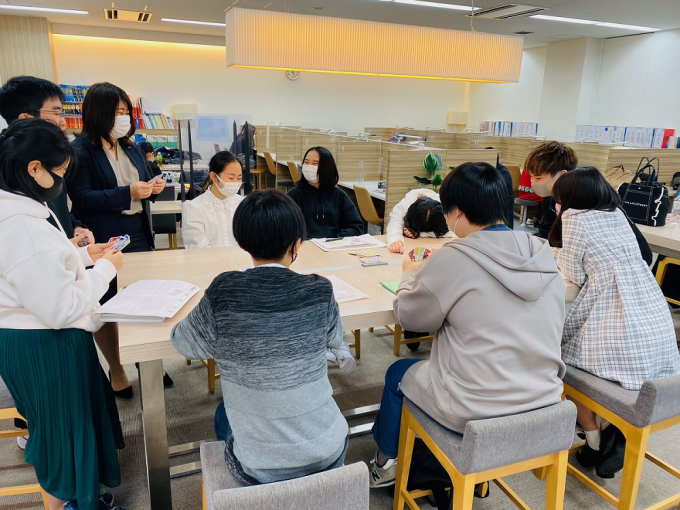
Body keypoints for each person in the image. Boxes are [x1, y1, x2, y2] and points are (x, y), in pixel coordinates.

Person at [369, 162, 566, 488]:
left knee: (397, 373)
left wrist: (409, 274)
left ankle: (386, 466)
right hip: (545, 400)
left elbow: (410, 317)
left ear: (457, 212)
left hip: (472, 408)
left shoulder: (454, 257)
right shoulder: (541, 252)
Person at [171, 189, 350, 485]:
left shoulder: (224, 291)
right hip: (330, 450)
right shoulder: (320, 289)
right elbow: (335, 338)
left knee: (223, 415)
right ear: (296, 244)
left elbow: (185, 343)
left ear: (243, 242)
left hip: (261, 469)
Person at [0, 119, 126, 510]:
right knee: (61, 433)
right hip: (46, 342)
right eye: (59, 171)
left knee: (68, 424)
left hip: (37, 336)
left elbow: (42, 270)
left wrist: (83, 255)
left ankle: (80, 498)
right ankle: (68, 504)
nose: (61, 181)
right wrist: (105, 271)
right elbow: (61, 307)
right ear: (34, 168)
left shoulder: (22, 208)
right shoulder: (21, 226)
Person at [549, 167, 680, 478]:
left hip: (615, 312)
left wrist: (554, 251)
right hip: (652, 316)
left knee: (562, 364)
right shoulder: (617, 213)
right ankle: (611, 430)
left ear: (569, 198)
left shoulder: (574, 218)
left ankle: (595, 439)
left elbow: (573, 274)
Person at [69, 82, 171, 397]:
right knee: (107, 303)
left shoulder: (131, 146)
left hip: (138, 229)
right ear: (99, 112)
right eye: (117, 112)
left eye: (126, 111)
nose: (123, 117)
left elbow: (143, 181)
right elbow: (81, 197)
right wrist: (127, 192)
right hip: (104, 235)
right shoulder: (81, 150)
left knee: (144, 299)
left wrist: (153, 188)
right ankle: (116, 366)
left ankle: (147, 361)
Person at [524, 141, 653, 265]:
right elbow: (548, 232)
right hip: (587, 261)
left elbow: (577, 248)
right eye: (531, 177)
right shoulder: (551, 195)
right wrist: (527, 243)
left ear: (561, 175)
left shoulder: (585, 197)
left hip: (622, 262)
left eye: (538, 177)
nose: (533, 182)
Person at [0, 75, 94, 244]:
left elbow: (57, 208)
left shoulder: (51, 154)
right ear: (26, 119)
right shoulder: (7, 165)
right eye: (56, 113)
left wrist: (75, 227)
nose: (62, 122)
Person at [287, 146, 363, 239]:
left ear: (326, 167)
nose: (309, 167)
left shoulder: (339, 196)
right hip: (305, 245)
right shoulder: (294, 195)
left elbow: (356, 226)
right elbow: (285, 227)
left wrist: (337, 239)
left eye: (315, 163)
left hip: (333, 244)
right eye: (306, 162)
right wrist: (305, 240)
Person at [182, 151, 244, 249]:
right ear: (214, 177)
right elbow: (197, 248)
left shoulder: (244, 204)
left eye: (239, 178)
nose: (236, 182)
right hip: (208, 258)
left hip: (241, 258)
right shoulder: (194, 208)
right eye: (231, 178)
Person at [386, 189, 454, 254]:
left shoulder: (446, 209)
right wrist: (395, 240)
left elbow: (455, 233)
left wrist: (418, 234)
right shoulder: (405, 205)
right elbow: (394, 224)